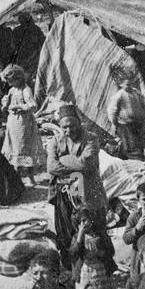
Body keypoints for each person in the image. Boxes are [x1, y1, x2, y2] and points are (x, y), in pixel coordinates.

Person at [46, 105, 106, 259]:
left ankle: (100, 265)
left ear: (79, 123)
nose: (69, 130)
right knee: (66, 229)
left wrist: (63, 159)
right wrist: (76, 166)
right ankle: (70, 264)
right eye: (64, 127)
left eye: (72, 125)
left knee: (93, 227)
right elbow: (51, 167)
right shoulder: (55, 140)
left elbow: (86, 164)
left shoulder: (91, 138)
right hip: (64, 193)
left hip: (88, 191)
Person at [0, 66, 40, 184]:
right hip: (13, 122)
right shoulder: (12, 90)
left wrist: (20, 107)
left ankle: (30, 177)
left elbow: (33, 106)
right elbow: (6, 106)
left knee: (25, 148)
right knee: (14, 148)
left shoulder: (25, 90)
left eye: (11, 80)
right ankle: (16, 177)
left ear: (18, 78)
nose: (9, 83)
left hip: (24, 123)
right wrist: (5, 104)